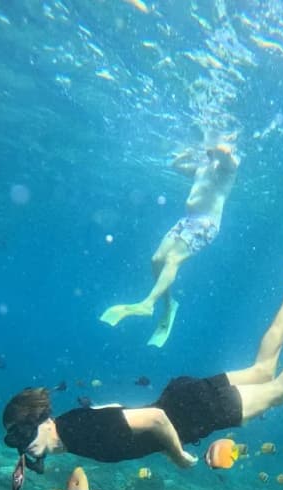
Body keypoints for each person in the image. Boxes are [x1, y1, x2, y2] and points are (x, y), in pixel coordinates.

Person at [3, 270, 283, 476]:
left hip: (189, 414)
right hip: (182, 397)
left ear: (40, 421)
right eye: (19, 444)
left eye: (24, 438)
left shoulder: (77, 434)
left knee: (280, 389)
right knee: (263, 368)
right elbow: (120, 410)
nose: (27, 449)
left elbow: (154, 422)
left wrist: (179, 457)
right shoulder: (72, 426)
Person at [99, 143, 240, 348]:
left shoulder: (228, 168)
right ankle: (168, 304)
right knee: (156, 260)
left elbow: (224, 151)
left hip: (206, 224)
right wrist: (187, 153)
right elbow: (175, 165)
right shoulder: (203, 167)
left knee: (173, 259)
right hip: (187, 220)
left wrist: (212, 144)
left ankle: (148, 304)